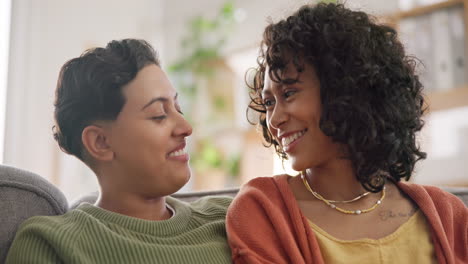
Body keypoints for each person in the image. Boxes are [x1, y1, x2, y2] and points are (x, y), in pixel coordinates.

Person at [226, 3, 468, 264]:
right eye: (269, 103)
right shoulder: (263, 210)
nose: (274, 120)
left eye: (289, 93)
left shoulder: (448, 215)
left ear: (346, 89)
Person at [6, 39, 232, 263]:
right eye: (158, 114)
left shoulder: (230, 217)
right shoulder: (51, 244)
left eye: (178, 108)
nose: (186, 127)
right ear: (101, 142)